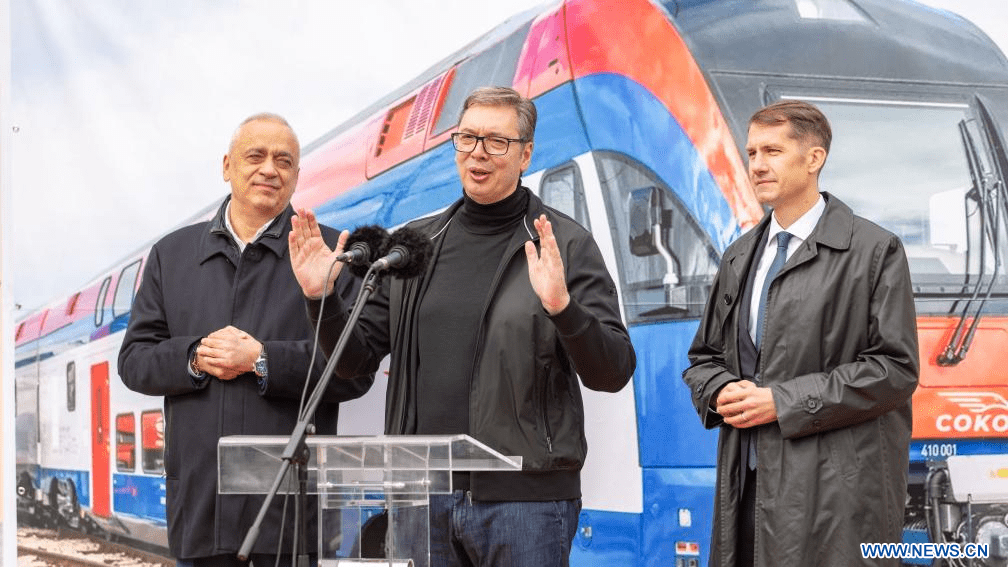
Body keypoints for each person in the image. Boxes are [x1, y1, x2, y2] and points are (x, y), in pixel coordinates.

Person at [288, 86, 636, 567]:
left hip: (525, 504)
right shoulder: (414, 245)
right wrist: (320, 298)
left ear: (525, 153)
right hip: (422, 497)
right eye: (467, 138)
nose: (478, 153)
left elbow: (612, 371)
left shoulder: (565, 246)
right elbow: (354, 360)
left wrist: (562, 308)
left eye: (496, 141)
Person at [118, 113, 371, 567]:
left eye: (284, 161)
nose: (269, 169)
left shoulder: (333, 253)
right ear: (226, 165)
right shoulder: (171, 256)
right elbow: (134, 360)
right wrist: (196, 356)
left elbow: (354, 372)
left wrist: (261, 359)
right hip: (201, 510)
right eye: (255, 156)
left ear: (296, 176)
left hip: (292, 517)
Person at [682, 100, 920, 566]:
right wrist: (719, 390)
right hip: (746, 491)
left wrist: (782, 401)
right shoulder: (739, 256)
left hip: (835, 501)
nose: (757, 165)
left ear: (814, 159)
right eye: (751, 153)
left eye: (772, 151)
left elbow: (895, 369)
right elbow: (704, 358)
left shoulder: (874, 250)